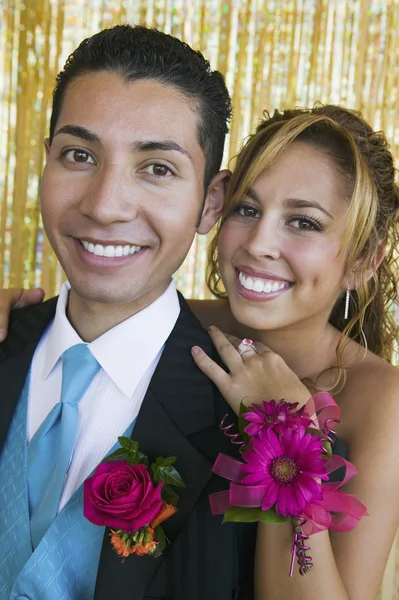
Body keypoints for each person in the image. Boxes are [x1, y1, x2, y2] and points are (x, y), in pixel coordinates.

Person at [5, 105, 398, 600]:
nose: (258, 244)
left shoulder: (380, 399)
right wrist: (18, 320)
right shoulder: (168, 325)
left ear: (365, 257)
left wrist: (288, 437)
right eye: (248, 210)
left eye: (302, 222)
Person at [0, 23, 269, 600]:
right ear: (45, 161)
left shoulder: (253, 441)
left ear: (210, 202)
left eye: (156, 168)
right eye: (79, 155)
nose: (104, 206)